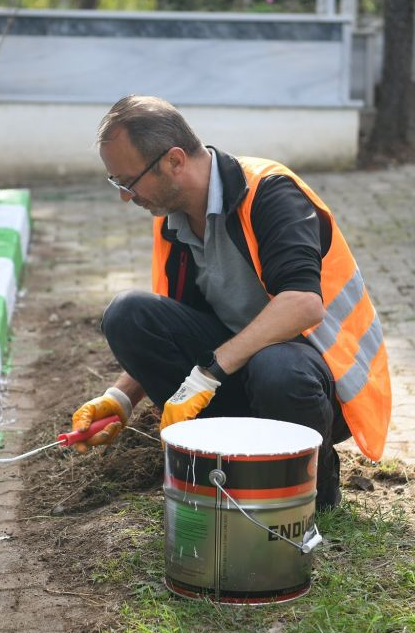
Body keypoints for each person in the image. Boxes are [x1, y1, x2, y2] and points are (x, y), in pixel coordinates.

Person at [69, 95, 391, 510]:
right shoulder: (174, 221)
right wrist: (120, 398)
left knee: (275, 366)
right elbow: (175, 326)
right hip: (242, 367)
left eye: (129, 181)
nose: (126, 197)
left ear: (175, 161)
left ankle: (308, 486)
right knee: (129, 314)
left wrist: (209, 371)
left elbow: (303, 305)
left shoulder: (270, 191)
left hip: (319, 382)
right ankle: (219, 469)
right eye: (118, 183)